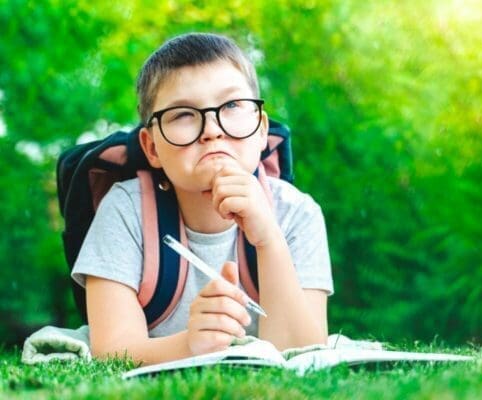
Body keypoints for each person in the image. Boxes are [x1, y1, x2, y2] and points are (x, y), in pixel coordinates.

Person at [71, 32, 333, 365]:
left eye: (233, 105)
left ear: (262, 129)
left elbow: (304, 353)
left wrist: (268, 238)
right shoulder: (125, 211)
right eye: (183, 114)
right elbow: (112, 350)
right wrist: (189, 345)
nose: (212, 129)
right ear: (152, 147)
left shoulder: (297, 213)